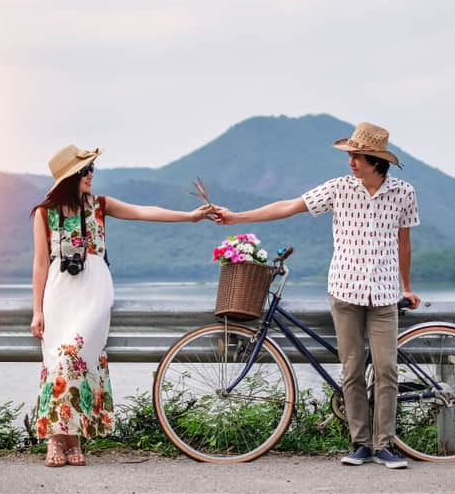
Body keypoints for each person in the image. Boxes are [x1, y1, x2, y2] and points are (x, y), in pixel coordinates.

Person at [212, 122, 421, 469]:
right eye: (351, 155)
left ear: (375, 160)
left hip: (384, 293)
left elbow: (404, 242)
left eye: (357, 156)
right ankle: (360, 443)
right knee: (352, 369)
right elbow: (289, 206)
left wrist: (407, 286)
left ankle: (385, 444)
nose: (351, 162)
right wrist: (237, 218)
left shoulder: (404, 193)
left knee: (387, 370)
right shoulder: (339, 189)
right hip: (345, 290)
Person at [30, 143, 214, 467]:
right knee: (59, 365)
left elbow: (144, 211)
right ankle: (62, 441)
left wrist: (189, 217)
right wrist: (37, 310)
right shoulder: (44, 213)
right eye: (84, 171)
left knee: (76, 357)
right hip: (59, 294)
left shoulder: (99, 206)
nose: (90, 175)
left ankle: (67, 438)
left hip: (93, 291)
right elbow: (40, 264)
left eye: (91, 170)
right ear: (69, 177)